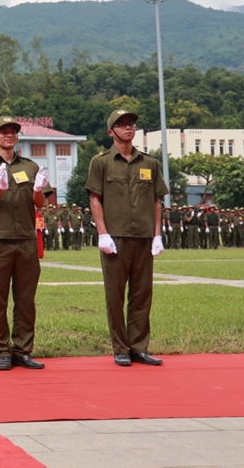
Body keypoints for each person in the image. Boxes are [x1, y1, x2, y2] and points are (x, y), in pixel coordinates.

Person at [0, 116, 53, 371]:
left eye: (13, 132)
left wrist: (38, 189)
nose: (9, 136)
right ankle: (2, 350)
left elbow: (40, 203)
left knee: (26, 299)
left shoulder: (29, 166)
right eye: (4, 132)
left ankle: (23, 349)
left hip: (26, 239)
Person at [86, 109, 168, 367]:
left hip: (143, 237)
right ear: (111, 132)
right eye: (122, 125)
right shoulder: (100, 162)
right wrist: (102, 233)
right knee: (115, 294)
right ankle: (121, 347)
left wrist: (157, 235)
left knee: (143, 293)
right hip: (116, 237)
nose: (128, 128)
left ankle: (139, 348)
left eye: (131, 124)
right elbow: (94, 198)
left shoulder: (149, 163)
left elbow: (156, 201)